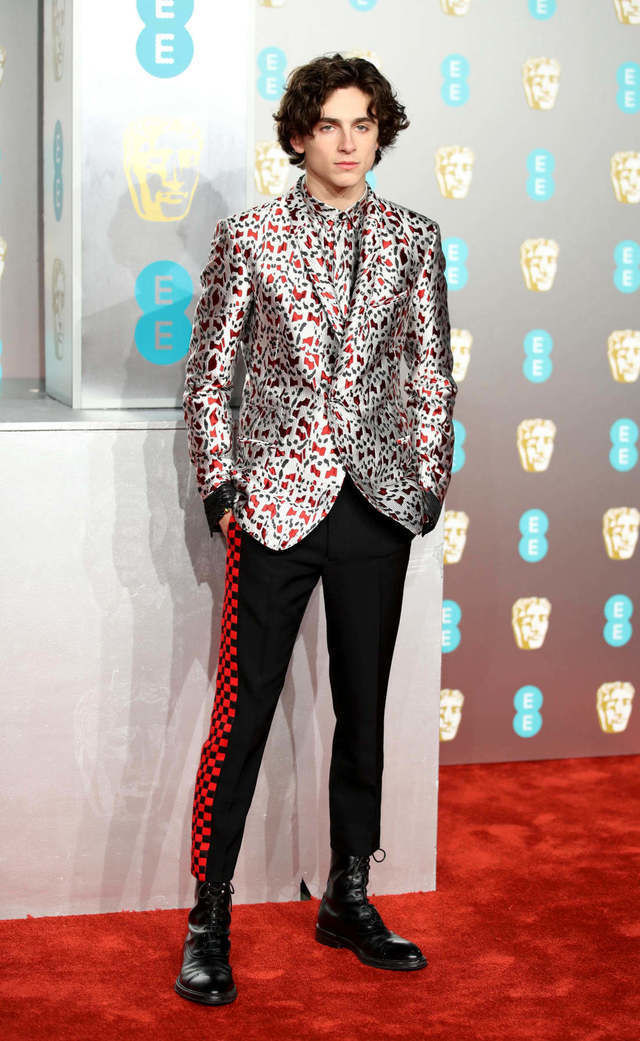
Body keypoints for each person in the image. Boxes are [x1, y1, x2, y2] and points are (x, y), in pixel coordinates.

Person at [176, 53, 457, 1006]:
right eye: (330, 124)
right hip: (274, 508)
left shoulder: (415, 239)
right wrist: (223, 490)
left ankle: (348, 895)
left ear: (381, 134)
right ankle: (208, 914)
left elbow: (429, 372)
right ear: (299, 135)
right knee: (244, 711)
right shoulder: (250, 236)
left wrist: (426, 482)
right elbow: (210, 374)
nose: (348, 142)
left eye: (364, 124)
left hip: (376, 507)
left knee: (363, 709)